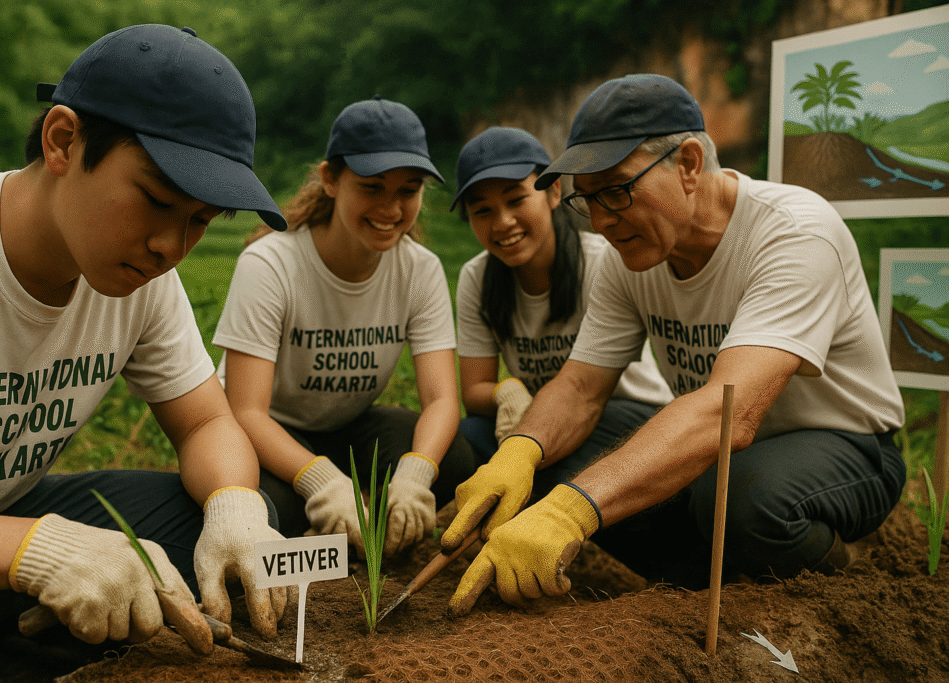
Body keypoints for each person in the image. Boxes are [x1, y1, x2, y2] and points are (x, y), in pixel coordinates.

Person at [442, 74, 906, 614]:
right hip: (725, 457)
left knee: (740, 497)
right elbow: (580, 388)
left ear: (687, 163)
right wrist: (521, 450)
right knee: (562, 451)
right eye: (587, 199)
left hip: (847, 446)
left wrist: (569, 511)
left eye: (616, 190)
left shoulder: (794, 234)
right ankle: (694, 582)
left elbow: (727, 413)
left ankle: (842, 580)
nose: (601, 221)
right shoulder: (630, 258)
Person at [0, 25, 295, 682]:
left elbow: (205, 421)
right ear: (63, 141)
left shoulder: (143, 279)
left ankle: (18, 642)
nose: (171, 247)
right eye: (156, 200)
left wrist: (234, 502)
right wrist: (38, 550)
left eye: (200, 220)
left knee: (239, 528)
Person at [213, 96, 474, 559]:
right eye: (372, 187)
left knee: (452, 459)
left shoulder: (420, 269)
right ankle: (327, 517)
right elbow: (246, 410)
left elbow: (442, 400)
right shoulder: (270, 264)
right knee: (278, 508)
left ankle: (361, 517)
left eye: (408, 190)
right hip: (266, 428)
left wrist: (416, 475)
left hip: (345, 425)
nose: (391, 208)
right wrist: (322, 482)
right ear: (331, 180)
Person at [452, 126, 672, 505]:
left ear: (554, 192)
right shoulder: (477, 278)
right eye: (482, 210)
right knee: (468, 437)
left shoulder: (601, 263)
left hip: (624, 413)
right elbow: (474, 391)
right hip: (541, 420)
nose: (502, 222)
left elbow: (589, 394)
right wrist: (508, 392)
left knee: (554, 464)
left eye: (516, 200)